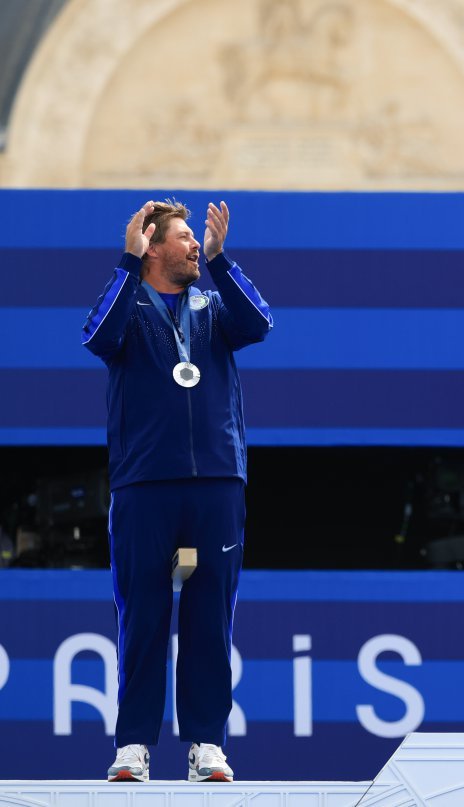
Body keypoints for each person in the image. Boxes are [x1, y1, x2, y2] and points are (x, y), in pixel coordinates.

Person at [82, 200, 274, 782]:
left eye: (198, 238)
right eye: (186, 238)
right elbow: (97, 337)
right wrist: (124, 262)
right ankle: (134, 747)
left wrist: (219, 260)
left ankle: (207, 746)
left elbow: (261, 324)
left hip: (216, 481)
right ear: (152, 247)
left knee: (209, 617)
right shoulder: (128, 304)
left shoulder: (213, 307)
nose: (195, 244)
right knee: (143, 614)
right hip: (144, 483)